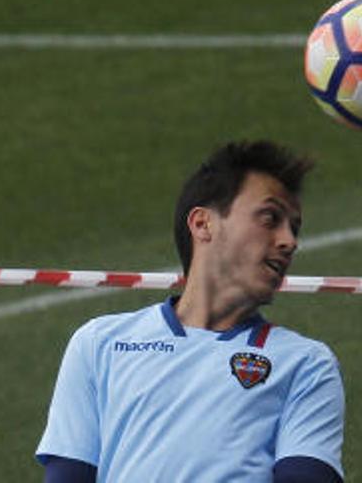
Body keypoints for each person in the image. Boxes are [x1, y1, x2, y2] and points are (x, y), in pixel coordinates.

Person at [36, 141, 345, 482]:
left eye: (294, 228)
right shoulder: (100, 344)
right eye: (270, 218)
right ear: (202, 224)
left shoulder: (307, 364)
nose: (289, 241)